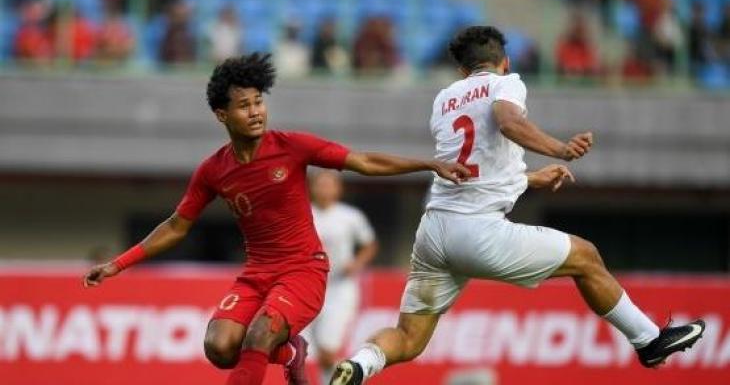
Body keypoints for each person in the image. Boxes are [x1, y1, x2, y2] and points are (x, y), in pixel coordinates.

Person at [330, 26, 705, 385]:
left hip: (433, 232)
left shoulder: (445, 98)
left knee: (408, 338)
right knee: (586, 257)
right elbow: (507, 122)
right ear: (504, 61)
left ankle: (361, 364)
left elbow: (475, 166)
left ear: (462, 70)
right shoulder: (507, 83)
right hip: (478, 231)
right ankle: (648, 341)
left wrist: (529, 177)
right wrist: (559, 148)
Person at [83, 53, 468, 385]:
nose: (255, 112)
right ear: (222, 114)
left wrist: (427, 164)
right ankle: (290, 354)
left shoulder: (291, 147)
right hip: (257, 273)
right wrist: (119, 264)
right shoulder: (213, 170)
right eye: (243, 106)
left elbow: (363, 161)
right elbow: (176, 226)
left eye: (258, 102)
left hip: (304, 270)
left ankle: (281, 350)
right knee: (219, 346)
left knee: (257, 336)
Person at [304, 171, 378, 385]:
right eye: (321, 185)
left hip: (339, 289)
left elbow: (369, 244)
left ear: (338, 189)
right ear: (312, 188)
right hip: (308, 288)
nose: (325, 190)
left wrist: (356, 264)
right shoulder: (303, 214)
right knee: (313, 353)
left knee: (328, 350)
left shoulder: (350, 216)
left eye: (330, 185)